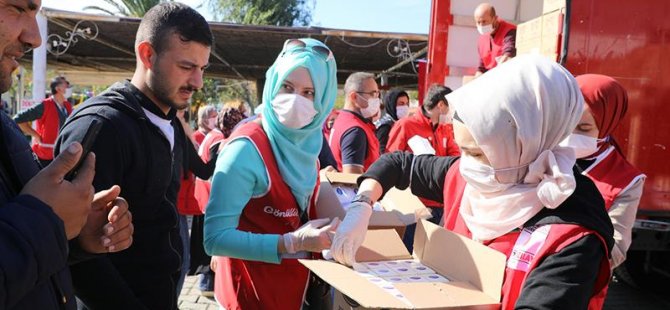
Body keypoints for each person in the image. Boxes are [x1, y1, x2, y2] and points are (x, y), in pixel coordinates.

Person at [331, 55, 615, 309]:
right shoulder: (466, 175)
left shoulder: (572, 238)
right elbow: (396, 164)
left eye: (478, 153)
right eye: (462, 150)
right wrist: (362, 204)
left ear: (528, 140)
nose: (468, 165)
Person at [54, 3, 213, 309]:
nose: (198, 82)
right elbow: (71, 250)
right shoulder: (103, 126)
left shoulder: (169, 122)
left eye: (202, 68)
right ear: (147, 55)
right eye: (186, 67)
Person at [0, 1, 133, 309]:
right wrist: (45, 222)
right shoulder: (45, 106)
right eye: (18, 7)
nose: (35, 38)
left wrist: (70, 233)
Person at [204, 38, 339, 309]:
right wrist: (288, 242)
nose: (295, 100)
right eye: (287, 87)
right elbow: (215, 239)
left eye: (309, 93)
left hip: (291, 290)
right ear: (273, 84)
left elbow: (306, 194)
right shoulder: (245, 150)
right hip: (251, 294)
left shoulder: (306, 143)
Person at [561, 74, 646, 269]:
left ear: (608, 124)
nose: (571, 136)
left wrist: (562, 263)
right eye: (566, 125)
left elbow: (615, 249)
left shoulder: (626, 181)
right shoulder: (540, 153)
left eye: (584, 128)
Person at [385, 84, 460, 250]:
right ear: (440, 105)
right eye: (450, 107)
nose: (451, 113)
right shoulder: (406, 126)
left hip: (440, 203)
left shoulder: (443, 129)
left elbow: (455, 157)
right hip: (414, 207)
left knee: (432, 256)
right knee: (408, 252)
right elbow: (391, 160)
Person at [192, 106, 246, 297]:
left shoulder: (215, 135)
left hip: (205, 196)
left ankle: (207, 282)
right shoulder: (219, 140)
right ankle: (208, 283)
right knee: (210, 241)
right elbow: (215, 170)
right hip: (209, 196)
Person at [328, 72, 381, 174]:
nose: (377, 99)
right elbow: (352, 180)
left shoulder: (342, 119)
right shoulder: (355, 131)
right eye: (373, 94)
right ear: (354, 97)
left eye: (378, 94)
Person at [14, 76, 73, 166]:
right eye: (66, 85)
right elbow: (18, 119)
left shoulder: (67, 106)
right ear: (58, 89)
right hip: (44, 155)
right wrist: (36, 135)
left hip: (62, 153)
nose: (68, 88)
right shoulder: (45, 105)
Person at [474, 3, 516, 76]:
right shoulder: (482, 39)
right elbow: (481, 68)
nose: (481, 25)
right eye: (478, 22)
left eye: (484, 21)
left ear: (495, 19)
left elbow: (508, 56)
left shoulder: (509, 31)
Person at [375, 88, 409, 154]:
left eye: (407, 104)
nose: (405, 107)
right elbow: (381, 153)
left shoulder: (401, 124)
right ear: (392, 105)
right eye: (401, 104)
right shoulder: (385, 127)